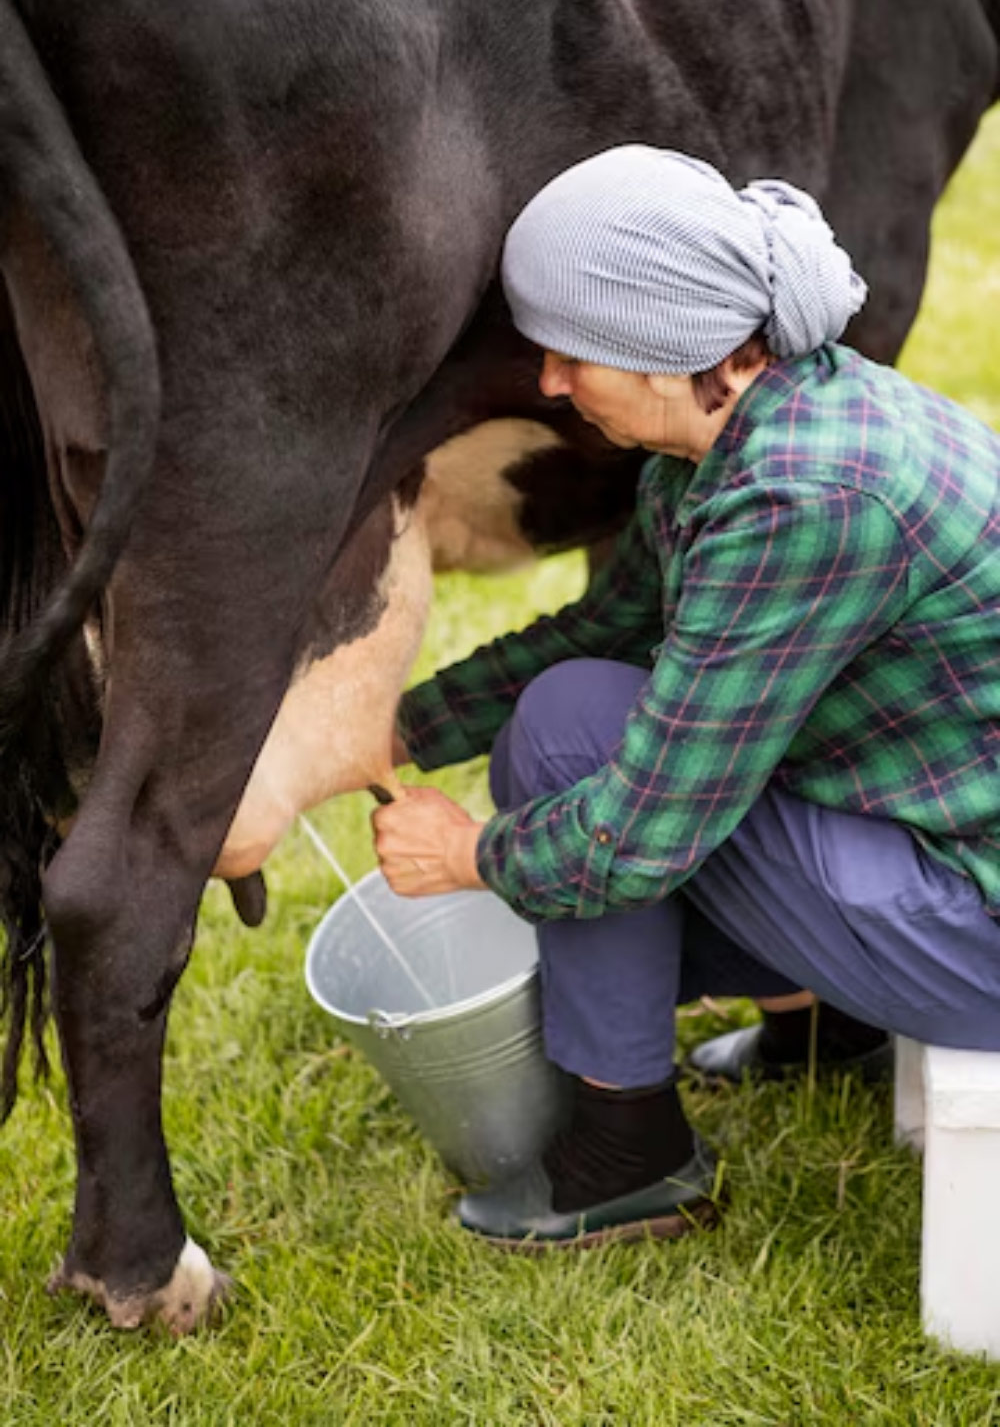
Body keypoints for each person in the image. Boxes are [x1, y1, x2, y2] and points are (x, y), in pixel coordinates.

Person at [371, 146, 1000, 1248]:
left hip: (976, 930)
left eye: (572, 351)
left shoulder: (800, 499)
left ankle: (628, 1158)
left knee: (570, 748)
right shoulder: (753, 427)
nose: (551, 383)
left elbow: (637, 842)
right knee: (579, 709)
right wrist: (396, 727)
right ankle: (822, 1030)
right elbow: (613, 628)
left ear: (665, 347)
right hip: (937, 833)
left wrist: (470, 856)